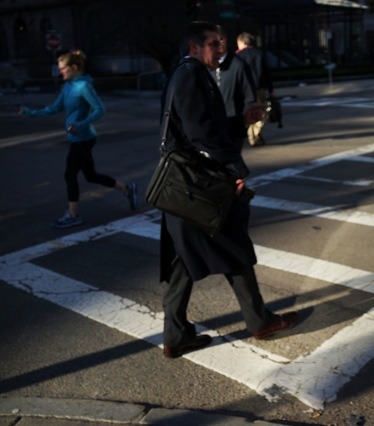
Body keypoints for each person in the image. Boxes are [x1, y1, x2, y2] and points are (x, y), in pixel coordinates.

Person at [159, 21, 298, 358]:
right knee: (233, 247)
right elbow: (199, 134)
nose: (220, 49)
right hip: (198, 186)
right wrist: (236, 169)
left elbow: (204, 127)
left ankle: (176, 336)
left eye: (221, 43)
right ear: (194, 47)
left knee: (182, 260)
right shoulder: (191, 75)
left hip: (185, 188)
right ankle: (259, 320)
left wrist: (240, 121)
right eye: (212, 44)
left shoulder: (190, 74)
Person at [19, 50, 138, 229]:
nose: (60, 72)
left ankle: (73, 215)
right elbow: (54, 108)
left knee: (70, 174)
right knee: (91, 176)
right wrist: (30, 112)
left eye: (62, 69)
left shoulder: (84, 86)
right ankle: (127, 189)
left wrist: (80, 124)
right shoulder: (67, 86)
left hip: (83, 138)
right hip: (78, 138)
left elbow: (100, 109)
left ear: (74, 68)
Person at [214, 25, 261, 151]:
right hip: (212, 127)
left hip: (233, 126)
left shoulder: (238, 65)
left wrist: (243, 122)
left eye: (220, 40)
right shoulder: (205, 67)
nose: (218, 44)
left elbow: (249, 97)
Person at [236, 32, 274, 147]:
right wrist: (271, 89)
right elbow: (267, 73)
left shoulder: (238, 56)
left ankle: (251, 135)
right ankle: (255, 134)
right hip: (259, 88)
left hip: (243, 89)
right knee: (260, 111)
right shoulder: (259, 54)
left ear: (242, 42)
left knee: (246, 111)